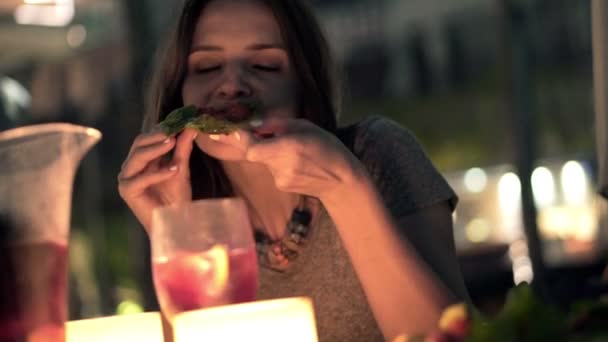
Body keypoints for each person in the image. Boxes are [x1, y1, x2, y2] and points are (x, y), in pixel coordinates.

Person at [118, 0, 470, 340]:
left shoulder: (375, 152)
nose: (232, 84)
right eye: (207, 67)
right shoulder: (196, 215)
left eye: (265, 66)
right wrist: (175, 231)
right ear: (179, 91)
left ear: (304, 84)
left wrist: (344, 188)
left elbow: (454, 334)